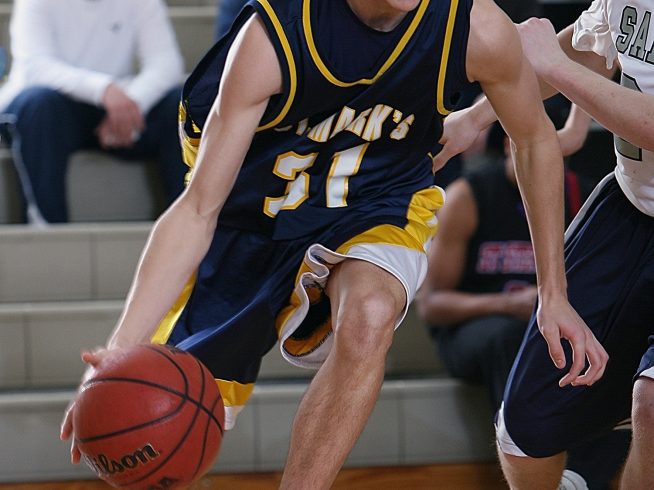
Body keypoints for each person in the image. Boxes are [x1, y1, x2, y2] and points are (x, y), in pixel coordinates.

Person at [60, 0, 606, 487]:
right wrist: (114, 354)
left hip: (377, 202)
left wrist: (551, 293)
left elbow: (535, 140)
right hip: (249, 222)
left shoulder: (474, 27)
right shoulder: (273, 37)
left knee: (369, 316)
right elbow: (199, 208)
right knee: (151, 414)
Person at [434, 1, 654, 488]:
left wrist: (551, 65)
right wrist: (476, 118)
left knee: (651, 407)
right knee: (524, 433)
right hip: (630, 206)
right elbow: (583, 49)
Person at [419, 112, 631, 490]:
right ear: (511, 146)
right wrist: (509, 305)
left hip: (550, 327)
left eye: (558, 153)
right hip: (473, 331)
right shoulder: (468, 197)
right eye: (541, 150)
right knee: (512, 336)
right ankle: (528, 466)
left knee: (606, 351)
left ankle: (579, 478)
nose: (551, 163)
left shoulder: (581, 196)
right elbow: (433, 305)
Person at [0, 0, 187, 224]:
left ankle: (188, 230)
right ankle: (46, 230)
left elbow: (167, 63)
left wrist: (132, 103)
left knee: (180, 104)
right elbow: (36, 66)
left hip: (118, 112)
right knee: (38, 104)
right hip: (52, 112)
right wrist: (103, 89)